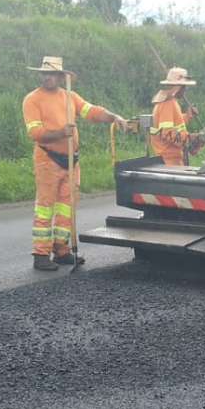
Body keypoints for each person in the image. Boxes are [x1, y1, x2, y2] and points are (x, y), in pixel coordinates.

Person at [22, 56, 129, 271]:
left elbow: (92, 111)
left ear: (61, 77)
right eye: (44, 73)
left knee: (66, 207)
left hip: (70, 161)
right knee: (45, 208)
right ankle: (40, 254)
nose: (47, 77)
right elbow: (34, 132)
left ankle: (61, 250)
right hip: (47, 159)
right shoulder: (32, 99)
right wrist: (59, 132)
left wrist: (114, 116)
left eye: (51, 74)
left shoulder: (70, 96)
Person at [150, 67, 205, 166]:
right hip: (169, 160)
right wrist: (189, 138)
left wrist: (188, 116)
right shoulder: (168, 104)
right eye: (184, 86)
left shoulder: (170, 102)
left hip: (172, 157)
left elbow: (174, 123)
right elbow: (167, 133)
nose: (185, 89)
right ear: (177, 87)